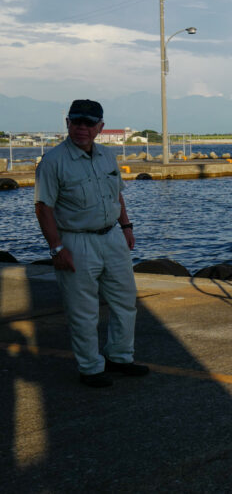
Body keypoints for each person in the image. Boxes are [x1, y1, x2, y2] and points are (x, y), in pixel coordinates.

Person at [35, 99, 148, 388]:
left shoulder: (108, 157)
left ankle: (120, 357)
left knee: (125, 302)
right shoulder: (53, 162)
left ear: (100, 127)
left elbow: (116, 195)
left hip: (112, 237)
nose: (81, 128)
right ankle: (90, 368)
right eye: (76, 122)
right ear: (68, 124)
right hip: (76, 241)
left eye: (88, 123)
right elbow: (43, 207)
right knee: (83, 310)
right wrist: (57, 248)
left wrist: (126, 227)